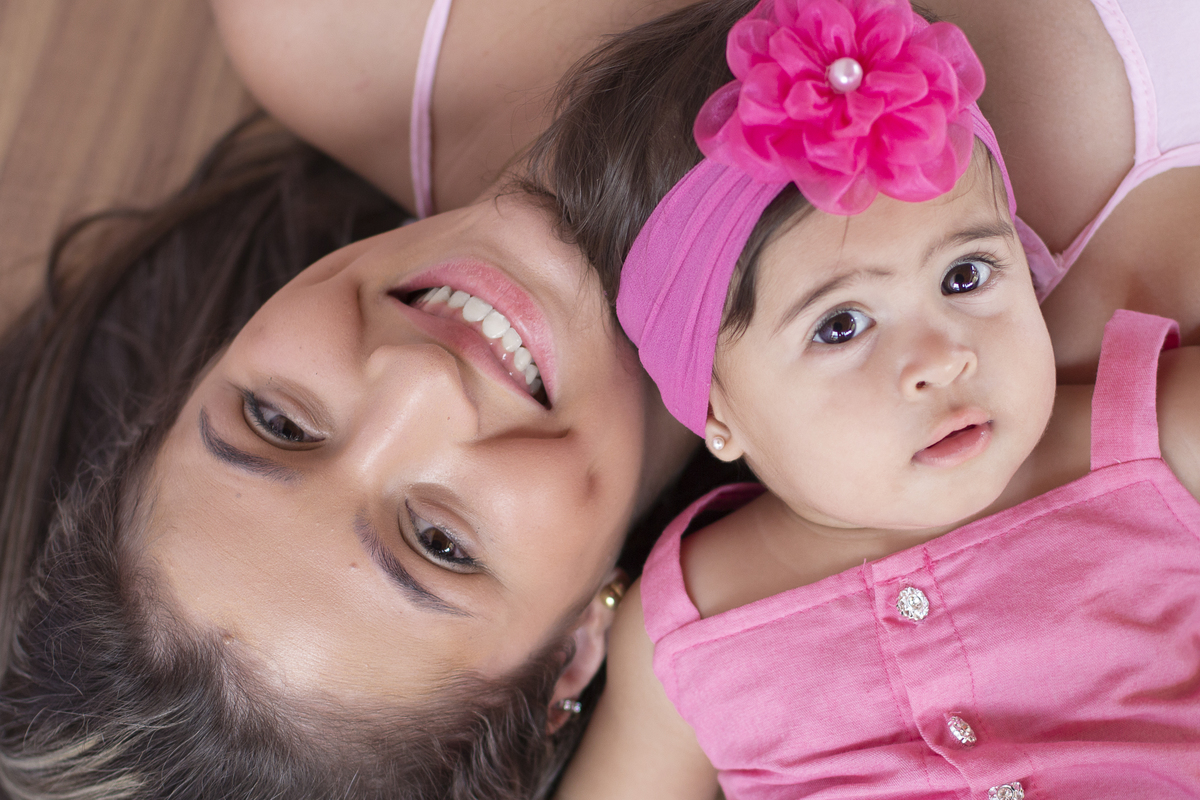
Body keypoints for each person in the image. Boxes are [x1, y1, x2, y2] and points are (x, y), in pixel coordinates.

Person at [539, 1, 1200, 797]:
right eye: (842, 326)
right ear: (714, 408)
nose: (942, 359)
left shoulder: (1160, 441)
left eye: (966, 276)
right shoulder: (684, 629)